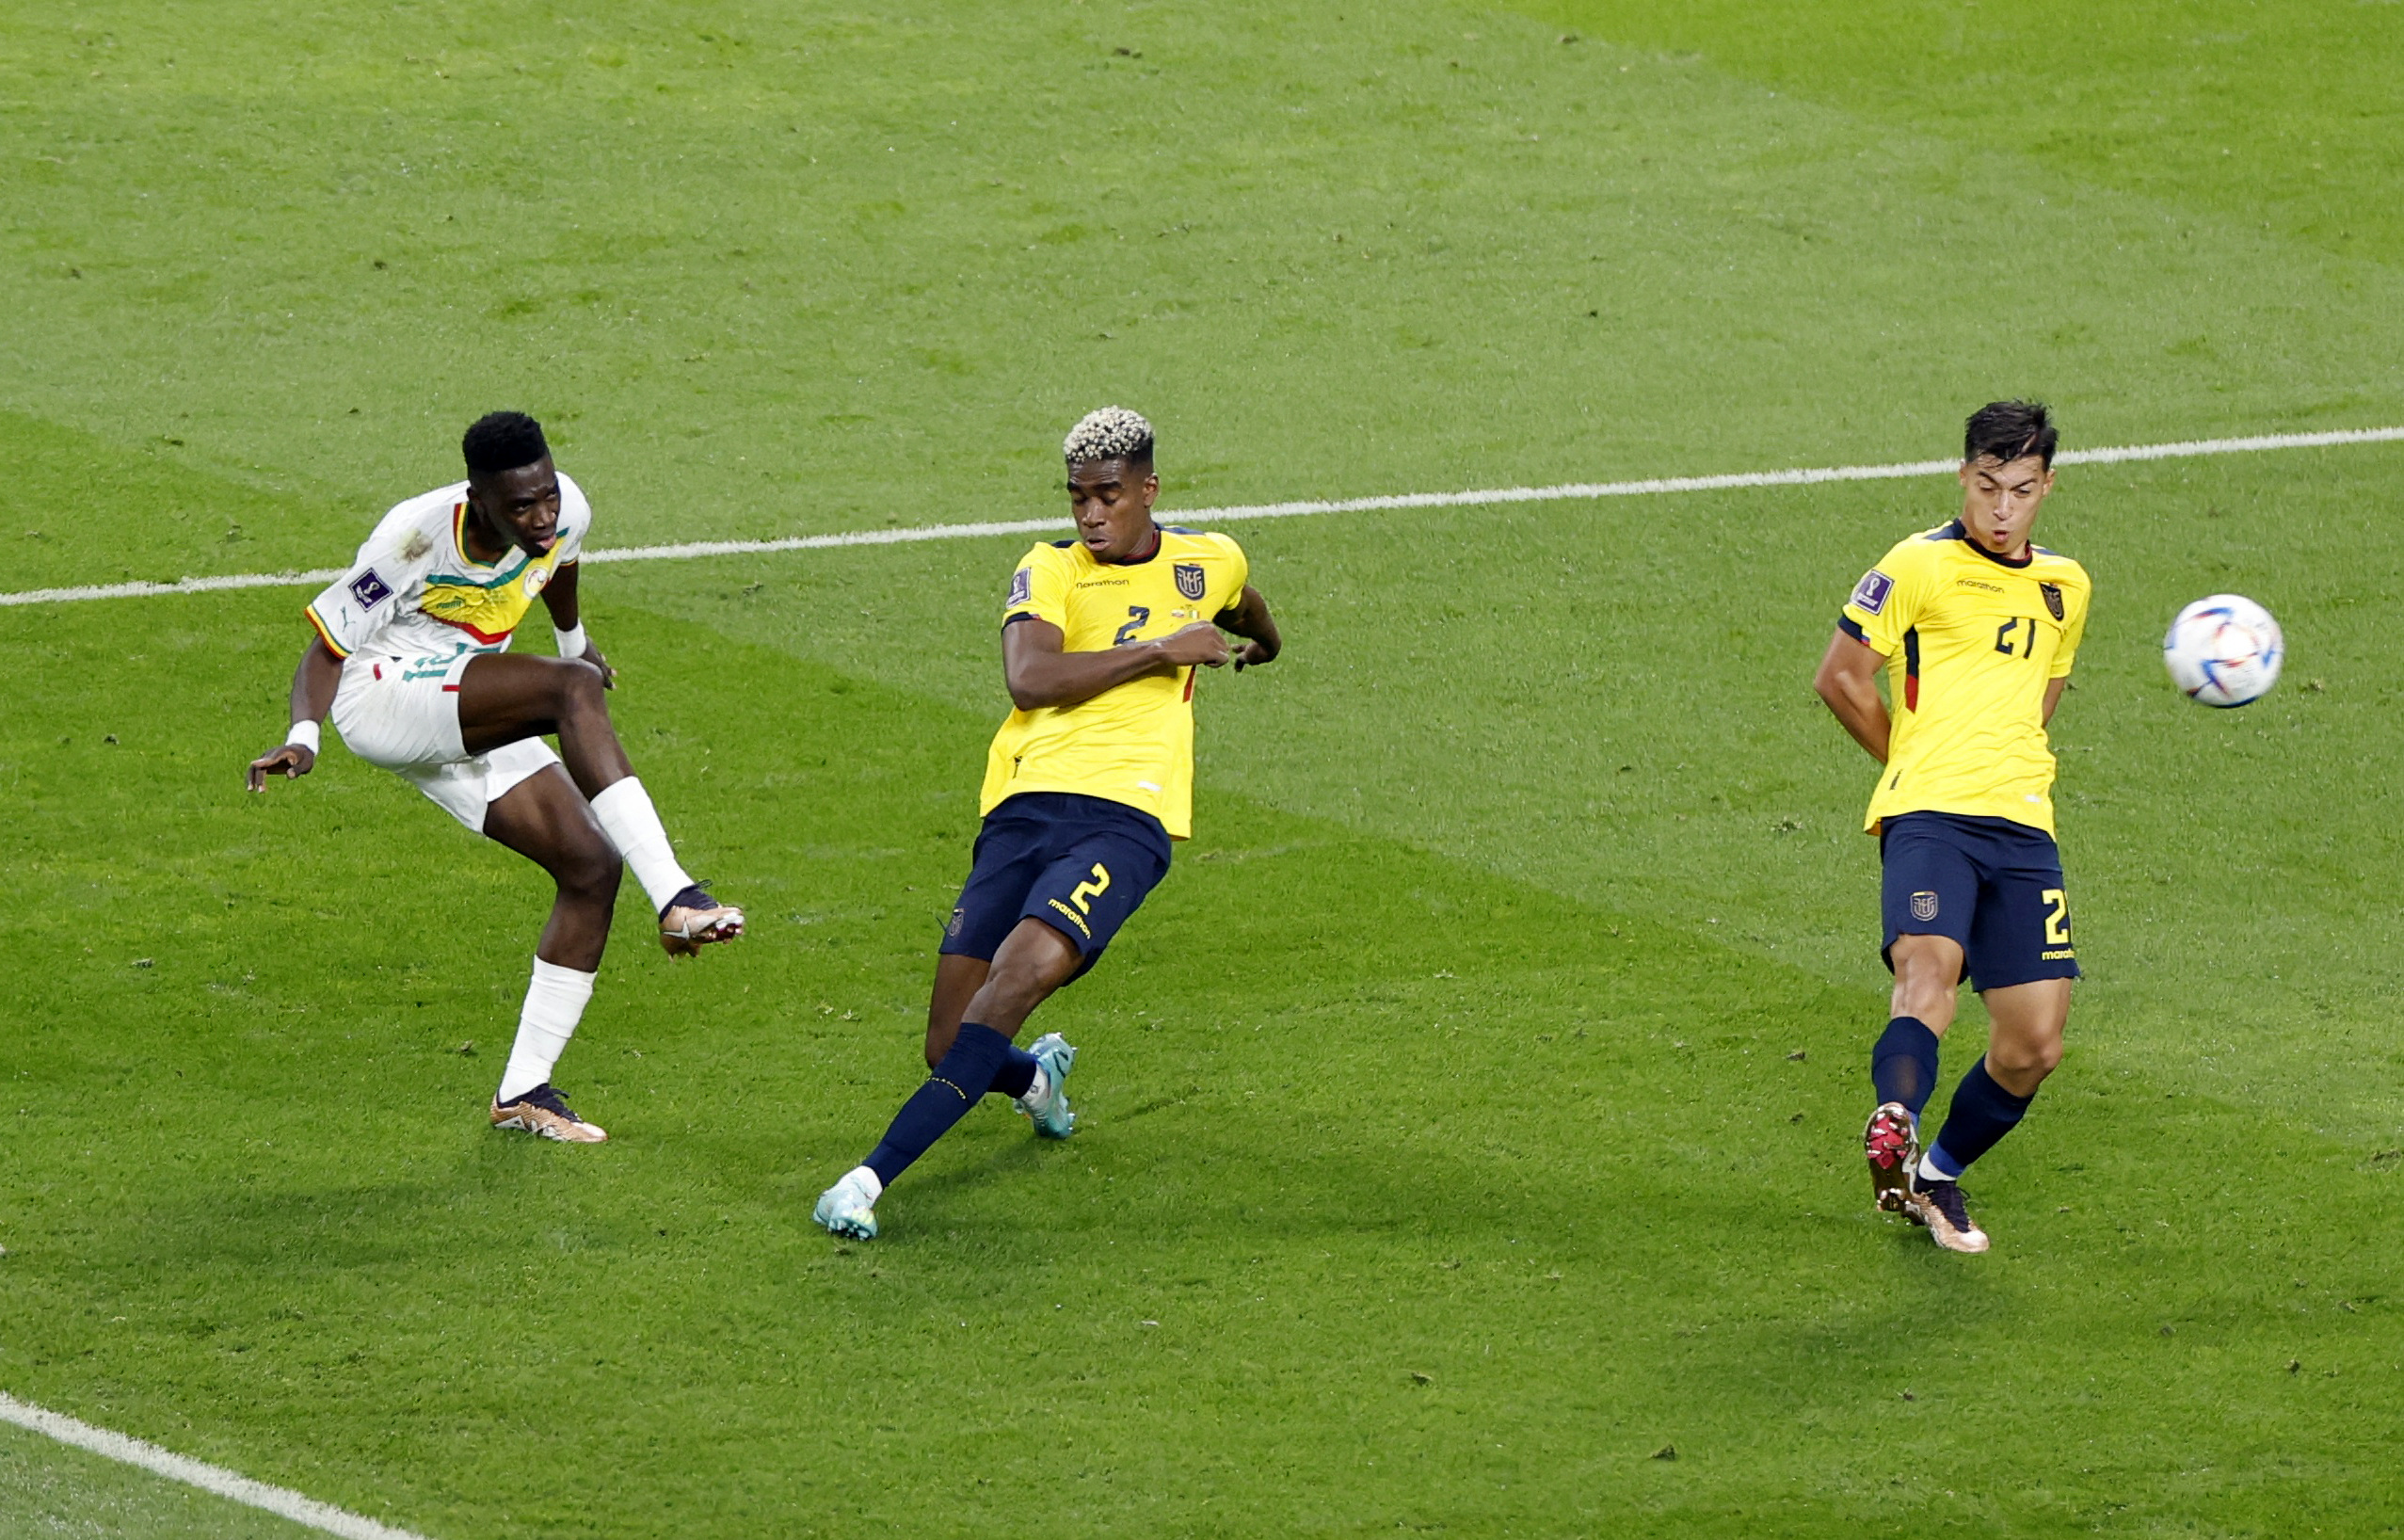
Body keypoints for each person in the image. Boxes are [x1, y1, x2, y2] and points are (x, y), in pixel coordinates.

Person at [813, 407, 1282, 1239]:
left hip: (1129, 818)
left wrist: (1263, 643)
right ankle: (1038, 1082)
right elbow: (1028, 679)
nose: (1092, 516)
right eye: (1077, 500)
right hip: (1023, 807)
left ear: (1149, 490)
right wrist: (1160, 651)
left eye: (1108, 496)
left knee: (1020, 978)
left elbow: (1240, 602)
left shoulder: (1209, 560)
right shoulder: (1051, 569)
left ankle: (865, 1181)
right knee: (951, 1041)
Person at [246, 411, 743, 1144]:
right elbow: (326, 649)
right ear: (477, 498)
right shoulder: (412, 538)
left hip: (464, 692)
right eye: (520, 507)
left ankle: (523, 1093)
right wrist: (302, 738)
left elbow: (560, 563)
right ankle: (675, 896)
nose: (541, 517)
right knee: (571, 690)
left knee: (590, 864)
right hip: (382, 695)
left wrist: (577, 640)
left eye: (545, 496)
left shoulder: (564, 508)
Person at [1811, 400, 2091, 1254]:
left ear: (2046, 486)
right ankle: (1892, 1117)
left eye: (2021, 490)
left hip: (2023, 830)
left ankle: (1931, 1178)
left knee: (2035, 1043)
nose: (2002, 509)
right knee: (1927, 973)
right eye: (1987, 486)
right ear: (1963, 476)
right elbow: (1842, 677)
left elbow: (2039, 704)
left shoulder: (2065, 587)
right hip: (1931, 816)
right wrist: (1914, 765)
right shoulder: (1917, 565)